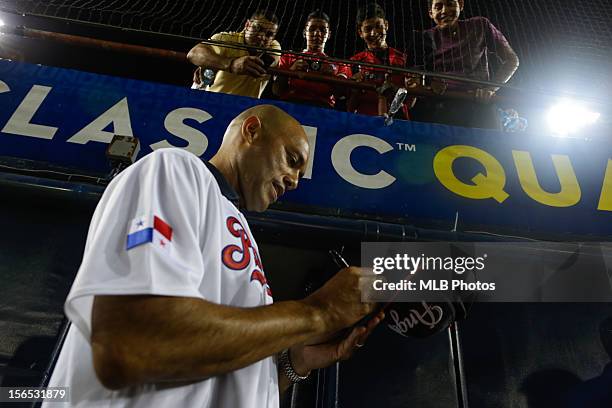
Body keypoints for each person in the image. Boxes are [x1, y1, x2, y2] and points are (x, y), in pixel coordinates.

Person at [43, 104, 383, 408]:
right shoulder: (176, 169)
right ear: (252, 131)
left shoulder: (240, 229)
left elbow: (226, 381)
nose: (295, 180)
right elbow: (133, 343)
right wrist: (317, 312)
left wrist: (293, 362)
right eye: (292, 160)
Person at [411, 0, 520, 129]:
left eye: (450, 4)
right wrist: (429, 84)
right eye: (438, 6)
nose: (445, 11)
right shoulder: (423, 38)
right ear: (431, 13)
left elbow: (512, 60)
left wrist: (490, 89)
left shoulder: (480, 25)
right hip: (441, 108)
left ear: (461, 5)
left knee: (491, 148)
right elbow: (415, 80)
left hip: (480, 108)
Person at [187, 10, 282, 98]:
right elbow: (194, 53)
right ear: (247, 25)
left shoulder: (274, 46)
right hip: (214, 102)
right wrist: (230, 64)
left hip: (244, 111)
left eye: (269, 34)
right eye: (257, 28)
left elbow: (266, 63)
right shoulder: (226, 38)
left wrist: (212, 63)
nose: (262, 36)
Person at [348, 3, 416, 119]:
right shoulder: (355, 62)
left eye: (378, 26)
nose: (374, 33)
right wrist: (355, 89)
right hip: (364, 124)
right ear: (360, 32)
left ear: (386, 25)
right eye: (368, 29)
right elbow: (349, 107)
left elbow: (409, 104)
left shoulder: (403, 59)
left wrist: (413, 87)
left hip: (398, 123)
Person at [272, 10, 350, 109]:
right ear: (305, 32)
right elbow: (276, 90)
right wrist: (291, 71)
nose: (317, 33)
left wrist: (332, 77)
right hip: (290, 107)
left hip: (323, 111)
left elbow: (342, 95)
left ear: (329, 34)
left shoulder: (339, 64)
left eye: (322, 30)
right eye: (312, 29)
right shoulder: (289, 56)